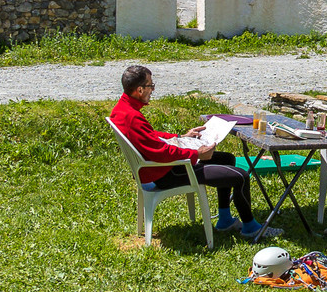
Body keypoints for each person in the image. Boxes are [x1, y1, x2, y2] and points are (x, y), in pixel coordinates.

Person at [108, 64, 281, 242]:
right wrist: (196, 154)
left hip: (162, 168)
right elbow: (160, 151)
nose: (153, 90)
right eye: (151, 85)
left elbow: (152, 138)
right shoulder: (132, 117)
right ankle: (251, 228)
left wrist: (181, 136)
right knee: (241, 176)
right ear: (139, 89)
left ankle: (225, 220)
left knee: (227, 158)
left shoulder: (123, 109)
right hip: (169, 171)